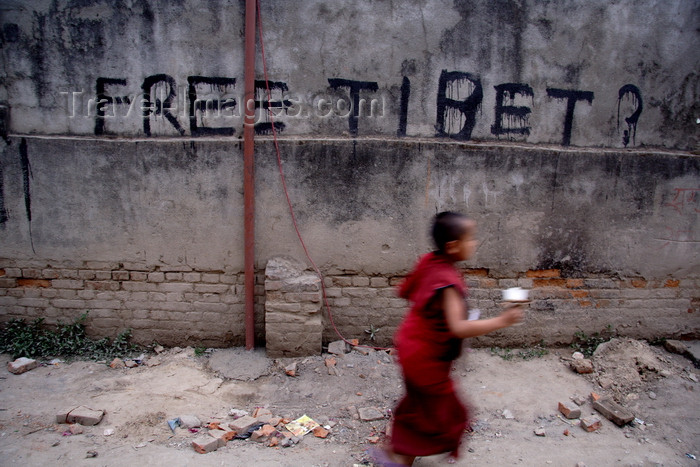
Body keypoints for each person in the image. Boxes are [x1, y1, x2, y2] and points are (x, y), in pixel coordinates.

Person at [375, 211, 524, 466]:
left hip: (410, 344)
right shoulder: (447, 282)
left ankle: (397, 454)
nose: (475, 243)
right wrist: (502, 321)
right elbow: (458, 328)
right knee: (449, 414)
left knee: (419, 406)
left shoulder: (429, 262)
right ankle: (397, 457)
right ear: (452, 246)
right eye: (471, 238)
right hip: (424, 358)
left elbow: (406, 290)